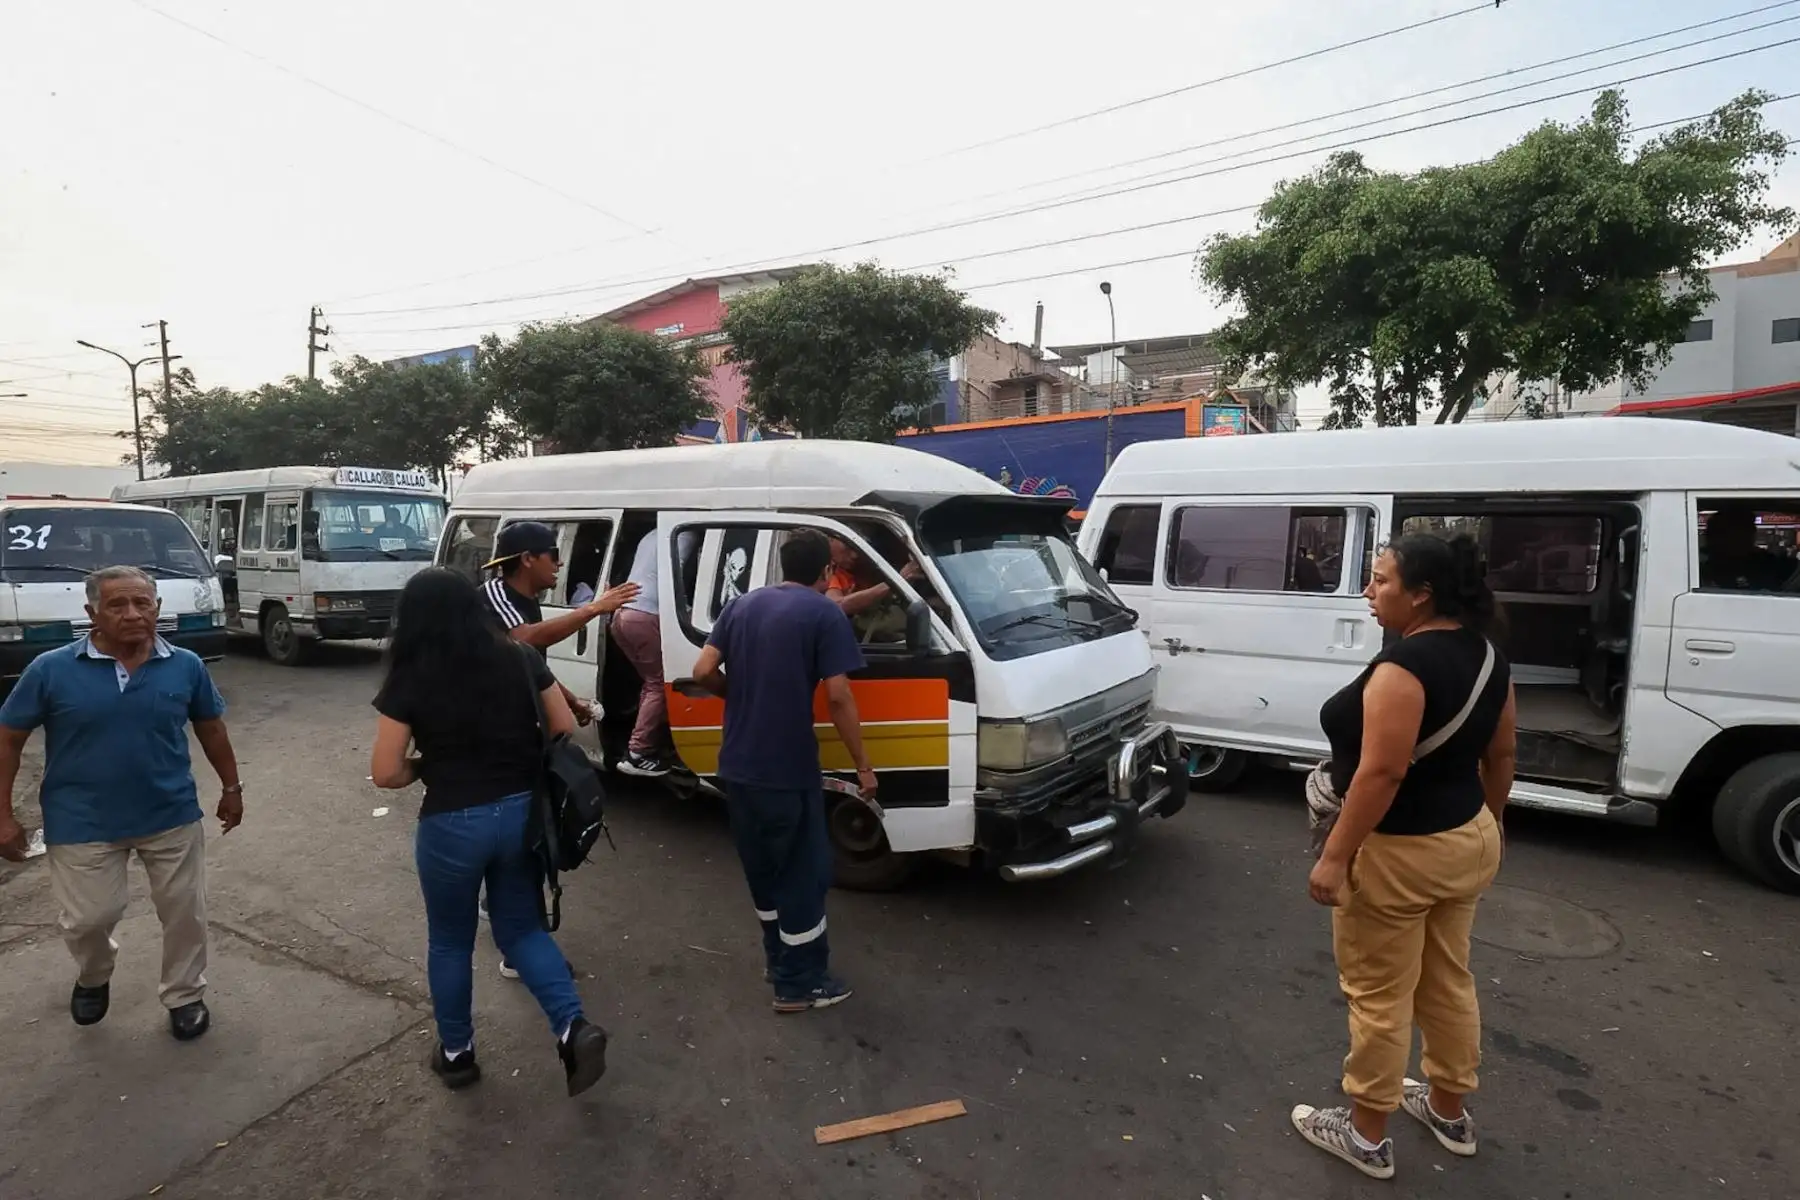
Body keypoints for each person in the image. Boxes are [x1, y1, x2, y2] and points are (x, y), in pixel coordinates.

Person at [1292, 532, 1514, 1181]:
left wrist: (1335, 857)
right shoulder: (1487, 656)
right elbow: (1500, 756)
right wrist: (1492, 825)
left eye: (1381, 579)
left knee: (1379, 995)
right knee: (1448, 978)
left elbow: (1381, 773)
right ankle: (1448, 1110)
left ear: (1422, 595)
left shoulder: (1404, 669)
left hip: (1399, 853)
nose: (1369, 589)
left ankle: (1366, 1136)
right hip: (1467, 837)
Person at [370, 568, 609, 1096]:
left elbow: (386, 772)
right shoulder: (518, 657)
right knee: (522, 929)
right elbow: (565, 728)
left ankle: (457, 1054)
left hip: (453, 822)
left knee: (451, 940)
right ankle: (573, 1027)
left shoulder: (413, 675)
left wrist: (428, 767)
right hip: (522, 815)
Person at [0, 565, 243, 1041]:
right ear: (92, 613)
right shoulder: (52, 669)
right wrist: (3, 814)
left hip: (169, 812)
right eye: (117, 605)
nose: (133, 614)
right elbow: (9, 738)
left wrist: (231, 789)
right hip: (80, 819)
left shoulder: (185, 665)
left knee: (184, 913)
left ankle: (184, 994)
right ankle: (93, 974)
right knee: (88, 919)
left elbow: (211, 728)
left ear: (157, 607)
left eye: (142, 603)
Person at [690, 529, 876, 1013]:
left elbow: (702, 670)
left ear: (782, 564)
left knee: (765, 870)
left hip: (737, 765)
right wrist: (864, 767)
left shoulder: (743, 605)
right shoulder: (824, 614)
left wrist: (741, 695)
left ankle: (778, 959)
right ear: (823, 573)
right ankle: (800, 983)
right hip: (786, 766)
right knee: (805, 872)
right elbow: (838, 697)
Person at [476, 521, 636, 975]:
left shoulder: (523, 600)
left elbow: (533, 669)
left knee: (528, 837)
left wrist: (571, 701)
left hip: (523, 736)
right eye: (553, 554)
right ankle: (522, 950)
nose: (559, 563)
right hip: (500, 741)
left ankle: (508, 918)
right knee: (530, 835)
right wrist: (595, 609)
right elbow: (522, 643)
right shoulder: (497, 596)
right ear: (527, 558)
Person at [611, 528, 698, 778]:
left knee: (652, 682)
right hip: (646, 613)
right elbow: (674, 574)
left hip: (623, 613)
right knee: (660, 682)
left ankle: (649, 739)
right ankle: (638, 752)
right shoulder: (686, 532)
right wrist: (688, 608)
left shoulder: (653, 531)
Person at [1700, 507, 1796, 592]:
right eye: (1744, 530)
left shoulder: (1764, 561)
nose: (1752, 534)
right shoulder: (1701, 567)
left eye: (1751, 529)